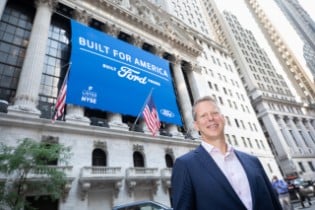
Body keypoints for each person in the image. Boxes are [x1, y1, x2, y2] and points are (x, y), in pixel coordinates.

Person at [171, 96, 282, 210]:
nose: (210, 118)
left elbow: (274, 203)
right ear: (196, 125)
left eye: (214, 113)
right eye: (203, 115)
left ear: (223, 118)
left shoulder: (253, 161)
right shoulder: (185, 165)